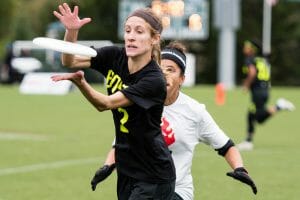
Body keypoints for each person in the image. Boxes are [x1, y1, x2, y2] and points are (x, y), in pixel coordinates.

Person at [90, 41, 258, 200]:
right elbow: (122, 141)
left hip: (177, 191)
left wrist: (239, 168)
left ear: (182, 79)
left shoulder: (194, 111)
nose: (164, 73)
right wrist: (107, 165)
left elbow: (226, 146)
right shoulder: (138, 101)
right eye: (160, 68)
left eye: (171, 69)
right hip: (140, 185)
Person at [52, 3, 176, 200]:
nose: (131, 36)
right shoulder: (114, 55)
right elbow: (70, 61)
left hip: (153, 174)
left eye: (139, 31)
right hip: (127, 169)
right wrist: (72, 32)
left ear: (154, 39)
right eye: (127, 30)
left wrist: (81, 83)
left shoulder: (153, 80)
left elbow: (105, 104)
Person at [237, 40, 295, 151]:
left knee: (253, 116)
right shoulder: (261, 60)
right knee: (256, 117)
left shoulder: (250, 59)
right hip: (264, 90)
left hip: (258, 92)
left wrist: (246, 85)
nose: (244, 48)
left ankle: (248, 142)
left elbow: (252, 73)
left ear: (252, 49)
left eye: (246, 46)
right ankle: (279, 106)